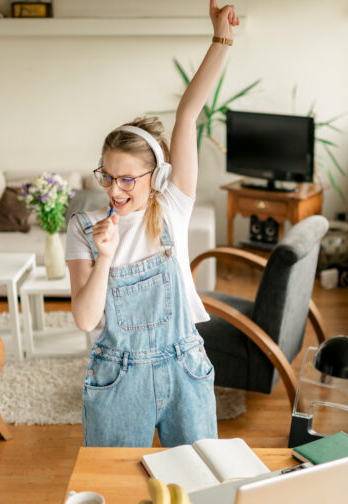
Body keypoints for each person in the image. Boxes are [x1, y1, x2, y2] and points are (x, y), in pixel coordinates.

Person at [64, 1, 239, 447]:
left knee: (201, 481)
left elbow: (188, 113)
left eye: (127, 179)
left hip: (185, 366)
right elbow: (86, 320)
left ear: (156, 176)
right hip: (118, 376)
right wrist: (104, 257)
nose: (115, 190)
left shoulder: (173, 206)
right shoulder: (84, 229)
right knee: (118, 487)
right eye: (107, 176)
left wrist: (221, 39)